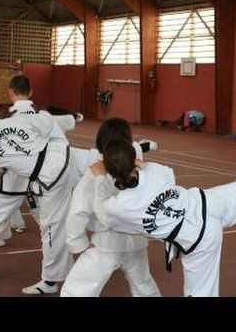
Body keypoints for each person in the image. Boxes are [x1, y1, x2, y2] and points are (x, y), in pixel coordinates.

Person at [91, 137, 236, 297]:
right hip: (207, 201)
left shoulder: (118, 207)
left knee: (199, 292)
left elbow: (103, 214)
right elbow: (169, 175)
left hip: (199, 236)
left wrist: (100, 178)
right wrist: (140, 165)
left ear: (111, 173)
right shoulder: (154, 171)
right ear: (134, 160)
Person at [0, 76, 100, 295]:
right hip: (54, 165)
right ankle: (135, 153)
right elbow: (57, 126)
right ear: (30, 92)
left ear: (10, 93)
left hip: (29, 178)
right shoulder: (34, 118)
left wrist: (0, 175)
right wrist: (74, 118)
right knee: (54, 223)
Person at [61, 118, 161, 297]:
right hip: (136, 243)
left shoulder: (94, 174)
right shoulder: (141, 173)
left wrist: (76, 241)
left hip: (106, 245)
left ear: (101, 142)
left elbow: (78, 210)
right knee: (144, 285)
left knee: (78, 287)